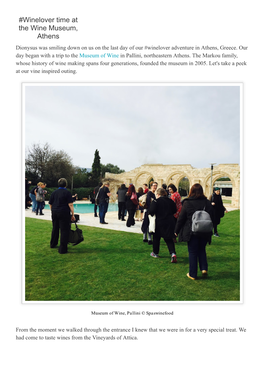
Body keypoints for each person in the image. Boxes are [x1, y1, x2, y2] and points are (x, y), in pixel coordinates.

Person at [175, 183, 214, 280]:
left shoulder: (187, 202)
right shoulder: (207, 202)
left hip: (192, 230)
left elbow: (181, 218)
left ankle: (192, 274)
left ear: (191, 191)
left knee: (192, 252)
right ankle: (204, 268)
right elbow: (213, 216)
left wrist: (176, 231)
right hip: (205, 230)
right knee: (201, 249)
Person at [148, 188, 177, 263]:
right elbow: (175, 210)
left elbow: (151, 211)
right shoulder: (170, 201)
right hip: (169, 222)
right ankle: (173, 253)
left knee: (156, 238)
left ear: (158, 194)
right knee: (169, 239)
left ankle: (155, 252)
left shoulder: (156, 201)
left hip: (159, 221)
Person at [49, 178, 75, 254]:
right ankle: (62, 249)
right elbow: (70, 204)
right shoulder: (67, 193)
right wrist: (72, 214)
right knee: (64, 230)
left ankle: (53, 244)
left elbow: (50, 203)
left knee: (55, 228)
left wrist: (53, 211)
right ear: (66, 184)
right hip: (64, 212)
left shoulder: (54, 193)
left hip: (55, 212)